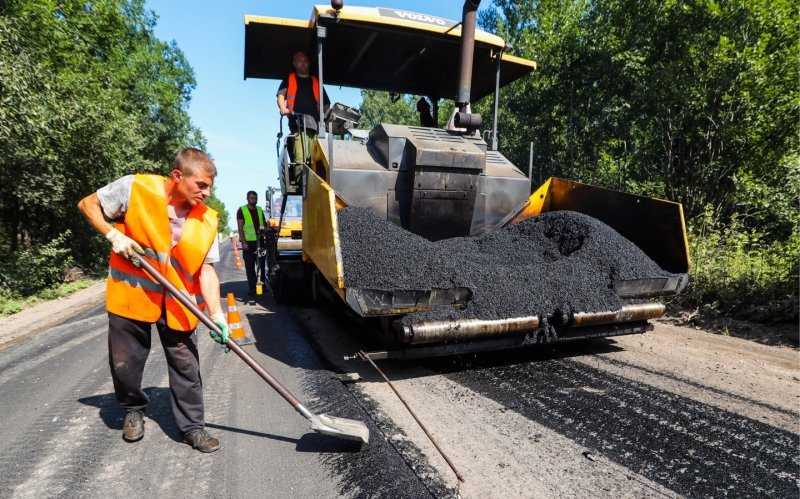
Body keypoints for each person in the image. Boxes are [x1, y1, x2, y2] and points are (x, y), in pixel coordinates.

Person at [77, 148, 228, 453]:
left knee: (187, 366)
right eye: (201, 185)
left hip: (178, 301)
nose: (207, 192)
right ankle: (133, 409)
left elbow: (206, 271)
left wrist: (217, 313)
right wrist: (113, 235)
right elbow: (87, 205)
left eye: (210, 186)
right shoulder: (136, 187)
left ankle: (193, 428)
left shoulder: (207, 219)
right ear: (177, 176)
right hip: (132, 293)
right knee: (125, 363)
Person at [276, 51, 330, 164]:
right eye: (300, 61)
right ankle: (301, 179)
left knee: (316, 162)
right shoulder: (289, 79)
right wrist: (282, 108)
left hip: (316, 128)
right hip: (298, 126)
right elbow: (281, 95)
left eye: (305, 61)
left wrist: (323, 116)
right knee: (301, 161)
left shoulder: (316, 81)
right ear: (294, 63)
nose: (303, 63)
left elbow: (326, 104)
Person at [236, 191, 267, 300]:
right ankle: (253, 289)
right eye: (251, 198)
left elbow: (264, 224)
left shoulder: (259, 209)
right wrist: (243, 242)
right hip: (248, 244)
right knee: (250, 268)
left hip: (260, 242)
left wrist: (264, 232)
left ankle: (262, 286)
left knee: (262, 266)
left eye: (255, 198)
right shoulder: (242, 210)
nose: (253, 199)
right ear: (247, 199)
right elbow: (240, 228)